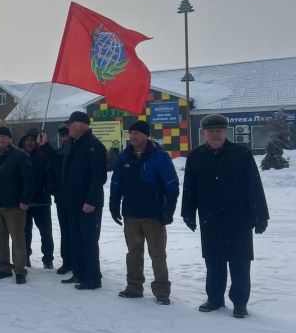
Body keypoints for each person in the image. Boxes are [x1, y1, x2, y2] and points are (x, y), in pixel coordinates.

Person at [181, 114, 269, 319]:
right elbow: (189, 188)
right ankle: (214, 299)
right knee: (213, 261)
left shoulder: (241, 154)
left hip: (239, 218)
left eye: (219, 130)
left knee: (240, 262)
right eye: (211, 131)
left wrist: (260, 215)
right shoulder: (195, 156)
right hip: (210, 218)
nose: (215, 134)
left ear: (225, 132)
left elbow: (254, 185)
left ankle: (240, 303)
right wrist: (188, 212)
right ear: (204, 133)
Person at [110, 121, 179, 305]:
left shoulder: (160, 157)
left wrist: (168, 211)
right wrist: (113, 204)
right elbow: (115, 184)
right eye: (131, 133)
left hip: (154, 215)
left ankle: (162, 291)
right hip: (131, 214)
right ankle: (134, 287)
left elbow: (172, 186)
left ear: (147, 136)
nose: (133, 136)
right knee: (133, 253)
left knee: (157, 254)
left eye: (138, 133)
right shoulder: (124, 157)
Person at [60, 111, 107, 290]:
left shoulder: (94, 146)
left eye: (70, 124)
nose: (68, 128)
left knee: (88, 240)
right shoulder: (73, 144)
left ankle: (93, 277)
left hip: (87, 203)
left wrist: (91, 201)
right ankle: (79, 272)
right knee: (76, 238)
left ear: (79, 125)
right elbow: (60, 162)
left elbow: (99, 177)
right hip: (72, 201)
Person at [0, 126, 33, 284]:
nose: (2, 139)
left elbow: (29, 181)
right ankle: (4, 268)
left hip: (15, 205)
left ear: (10, 139)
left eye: (5, 136)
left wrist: (25, 200)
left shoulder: (20, 156)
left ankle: (19, 270)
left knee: (17, 239)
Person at [19, 128, 56, 270]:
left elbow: (51, 174)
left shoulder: (43, 155)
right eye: (27, 140)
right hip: (24, 202)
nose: (29, 143)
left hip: (42, 200)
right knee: (24, 232)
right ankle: (25, 256)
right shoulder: (19, 155)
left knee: (46, 232)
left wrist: (48, 187)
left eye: (32, 140)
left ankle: (48, 258)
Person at [51, 124, 72, 274]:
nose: (64, 139)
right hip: (61, 198)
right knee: (65, 232)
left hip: (75, 198)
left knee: (75, 231)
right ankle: (67, 260)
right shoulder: (59, 152)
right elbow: (52, 172)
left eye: (66, 135)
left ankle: (77, 260)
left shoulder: (75, 152)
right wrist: (52, 187)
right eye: (62, 136)